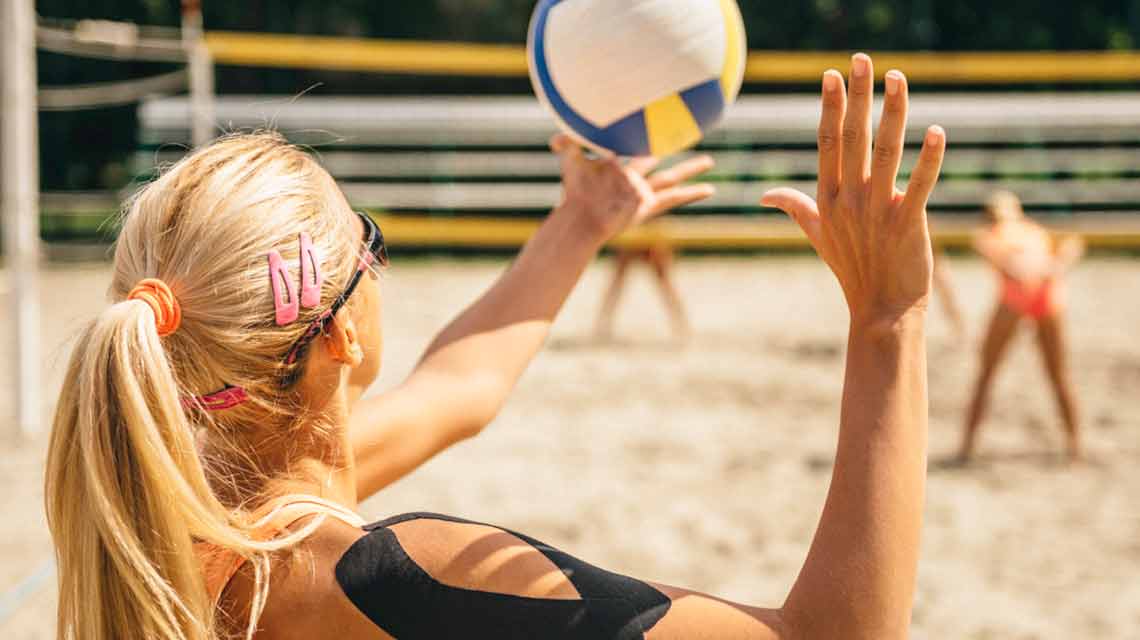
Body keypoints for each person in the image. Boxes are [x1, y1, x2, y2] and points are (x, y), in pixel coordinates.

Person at [45, 53, 946, 640]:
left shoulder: (153, 509)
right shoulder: (401, 578)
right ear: (343, 335)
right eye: (369, 244)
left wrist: (581, 221)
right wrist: (888, 322)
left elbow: (460, 388)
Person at [958, 190, 1085, 463]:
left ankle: (967, 446)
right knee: (1054, 373)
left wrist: (1051, 265)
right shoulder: (1027, 231)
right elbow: (1070, 247)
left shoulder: (1000, 234)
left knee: (989, 373)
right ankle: (1074, 446)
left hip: (1019, 297)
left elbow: (1010, 264)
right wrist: (1055, 266)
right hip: (1042, 294)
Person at [594, 240, 692, 342]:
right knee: (662, 278)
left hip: (642, 232)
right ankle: (681, 323)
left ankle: (681, 323)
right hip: (639, 232)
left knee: (661, 277)